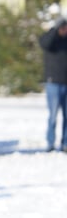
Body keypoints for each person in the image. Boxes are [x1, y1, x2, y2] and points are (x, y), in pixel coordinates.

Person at [39, 15, 67, 151]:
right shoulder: (50, 39)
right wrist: (55, 31)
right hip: (53, 83)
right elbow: (45, 44)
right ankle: (50, 142)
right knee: (53, 116)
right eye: (62, 27)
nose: (64, 30)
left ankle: (65, 143)